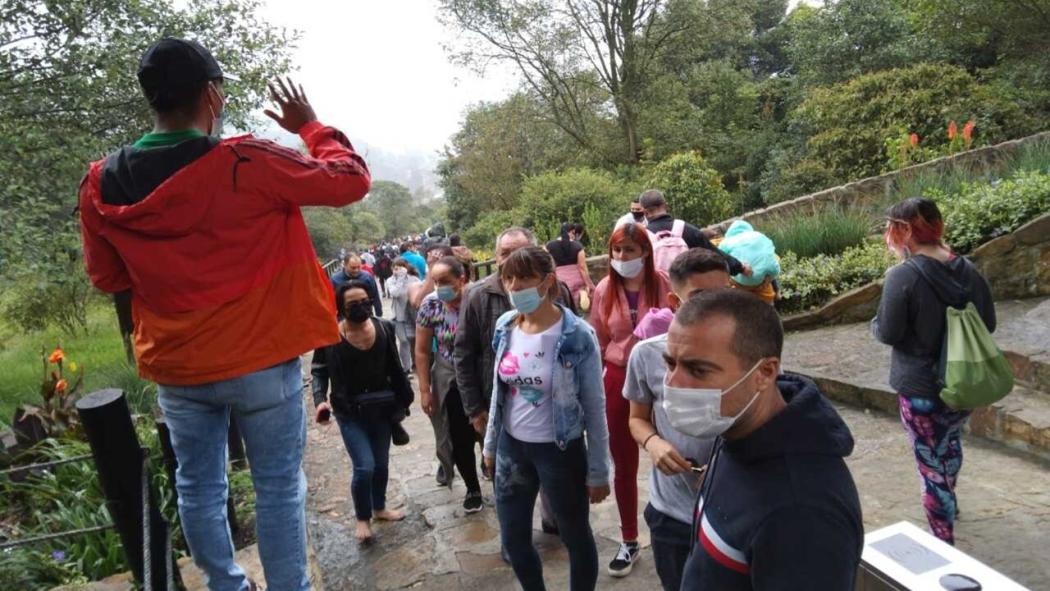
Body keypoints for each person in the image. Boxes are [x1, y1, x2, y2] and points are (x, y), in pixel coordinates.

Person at [78, 37, 370, 591]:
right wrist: (311, 128)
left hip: (178, 366)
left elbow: (107, 277)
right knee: (279, 485)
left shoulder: (101, 183)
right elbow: (349, 179)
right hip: (261, 362)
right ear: (211, 95)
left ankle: (226, 585)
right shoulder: (246, 160)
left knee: (198, 486)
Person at [670, 289, 863, 590]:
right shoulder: (737, 426)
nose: (673, 383)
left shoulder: (803, 513)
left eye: (698, 369)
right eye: (671, 364)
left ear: (764, 372)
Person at [482, 246, 610, 591]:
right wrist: (491, 446)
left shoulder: (577, 335)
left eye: (524, 278)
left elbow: (596, 407)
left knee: (575, 536)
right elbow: (500, 391)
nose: (514, 286)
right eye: (508, 277)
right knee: (513, 539)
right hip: (513, 448)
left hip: (560, 450)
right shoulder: (506, 326)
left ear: (547, 281)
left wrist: (599, 470)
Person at [871, 197, 995, 545]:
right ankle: (950, 503)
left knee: (930, 466)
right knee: (950, 441)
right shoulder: (967, 268)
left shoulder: (902, 276)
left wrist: (874, 325)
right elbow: (989, 323)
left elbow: (889, 332)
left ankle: (943, 541)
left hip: (920, 388)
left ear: (903, 231)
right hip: (963, 384)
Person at [454, 227, 577, 530]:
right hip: (498, 406)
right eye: (505, 253)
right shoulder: (479, 295)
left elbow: (575, 343)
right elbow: (463, 353)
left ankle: (553, 519)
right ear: (496, 259)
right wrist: (474, 409)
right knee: (506, 478)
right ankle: (514, 535)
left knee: (553, 471)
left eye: (519, 251)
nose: (512, 260)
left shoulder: (556, 291)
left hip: (551, 405)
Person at [623, 249, 731, 591]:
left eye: (722, 295)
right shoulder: (648, 354)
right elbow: (637, 419)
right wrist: (653, 443)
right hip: (673, 514)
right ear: (675, 300)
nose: (713, 307)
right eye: (700, 297)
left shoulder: (751, 353)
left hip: (734, 510)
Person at [589, 222, 671, 577]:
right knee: (623, 463)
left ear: (645, 253)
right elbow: (600, 338)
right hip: (619, 378)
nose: (622, 257)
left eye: (630, 251)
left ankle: (679, 525)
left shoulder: (664, 283)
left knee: (671, 453)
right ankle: (629, 538)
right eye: (617, 251)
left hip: (664, 376)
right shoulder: (605, 289)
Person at [311, 281, 413, 543]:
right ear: (341, 309)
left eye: (365, 301)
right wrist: (320, 400)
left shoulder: (384, 327)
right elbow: (319, 371)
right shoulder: (330, 336)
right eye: (353, 304)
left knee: (381, 465)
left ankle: (379, 508)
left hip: (382, 409)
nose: (361, 307)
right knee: (364, 467)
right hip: (350, 412)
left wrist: (405, 399)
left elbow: (395, 366)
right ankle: (362, 518)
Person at [415, 256, 484, 513]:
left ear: (462, 279)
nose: (439, 287)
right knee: (459, 435)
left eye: (445, 281)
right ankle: (472, 486)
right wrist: (425, 390)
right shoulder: (431, 305)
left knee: (488, 429)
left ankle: (491, 466)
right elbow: (422, 350)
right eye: (435, 281)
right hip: (450, 377)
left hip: (480, 374)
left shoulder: (478, 299)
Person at [639, 189, 748, 276]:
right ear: (666, 206)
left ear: (645, 212)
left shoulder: (641, 237)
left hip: (659, 297)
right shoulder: (686, 229)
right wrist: (740, 268)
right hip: (690, 295)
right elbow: (715, 255)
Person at [545, 222, 595, 308]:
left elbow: (546, 265)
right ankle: (580, 295)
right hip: (575, 278)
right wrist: (589, 284)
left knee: (562, 302)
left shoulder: (549, 246)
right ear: (572, 231)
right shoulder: (578, 246)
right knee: (577, 302)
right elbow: (582, 267)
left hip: (559, 279)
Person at [387, 257, 421, 374]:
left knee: (415, 339)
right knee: (403, 341)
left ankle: (417, 363)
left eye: (400, 268)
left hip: (413, 314)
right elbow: (395, 293)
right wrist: (400, 279)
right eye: (395, 268)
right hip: (399, 315)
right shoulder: (390, 281)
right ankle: (407, 368)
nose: (398, 271)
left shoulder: (414, 279)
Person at [330, 254, 382, 318]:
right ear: (345, 265)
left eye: (359, 267)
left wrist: (379, 313)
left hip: (365, 314)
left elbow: (375, 296)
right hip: (345, 317)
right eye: (353, 268)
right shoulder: (335, 279)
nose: (356, 270)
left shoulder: (367, 277)